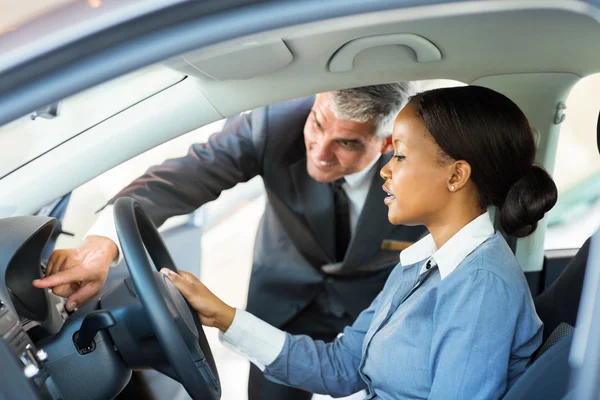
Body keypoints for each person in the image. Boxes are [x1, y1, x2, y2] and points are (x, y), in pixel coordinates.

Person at [33, 84, 427, 399]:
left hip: (372, 307)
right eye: (318, 124)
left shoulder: (426, 172)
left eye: (347, 143)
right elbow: (184, 177)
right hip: (283, 296)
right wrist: (103, 242)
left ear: (387, 144)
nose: (320, 154)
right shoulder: (274, 124)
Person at [164, 85, 558, 399]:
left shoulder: (482, 287)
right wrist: (224, 316)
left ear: (456, 177)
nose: (385, 171)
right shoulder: (421, 264)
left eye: (400, 157)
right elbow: (343, 366)